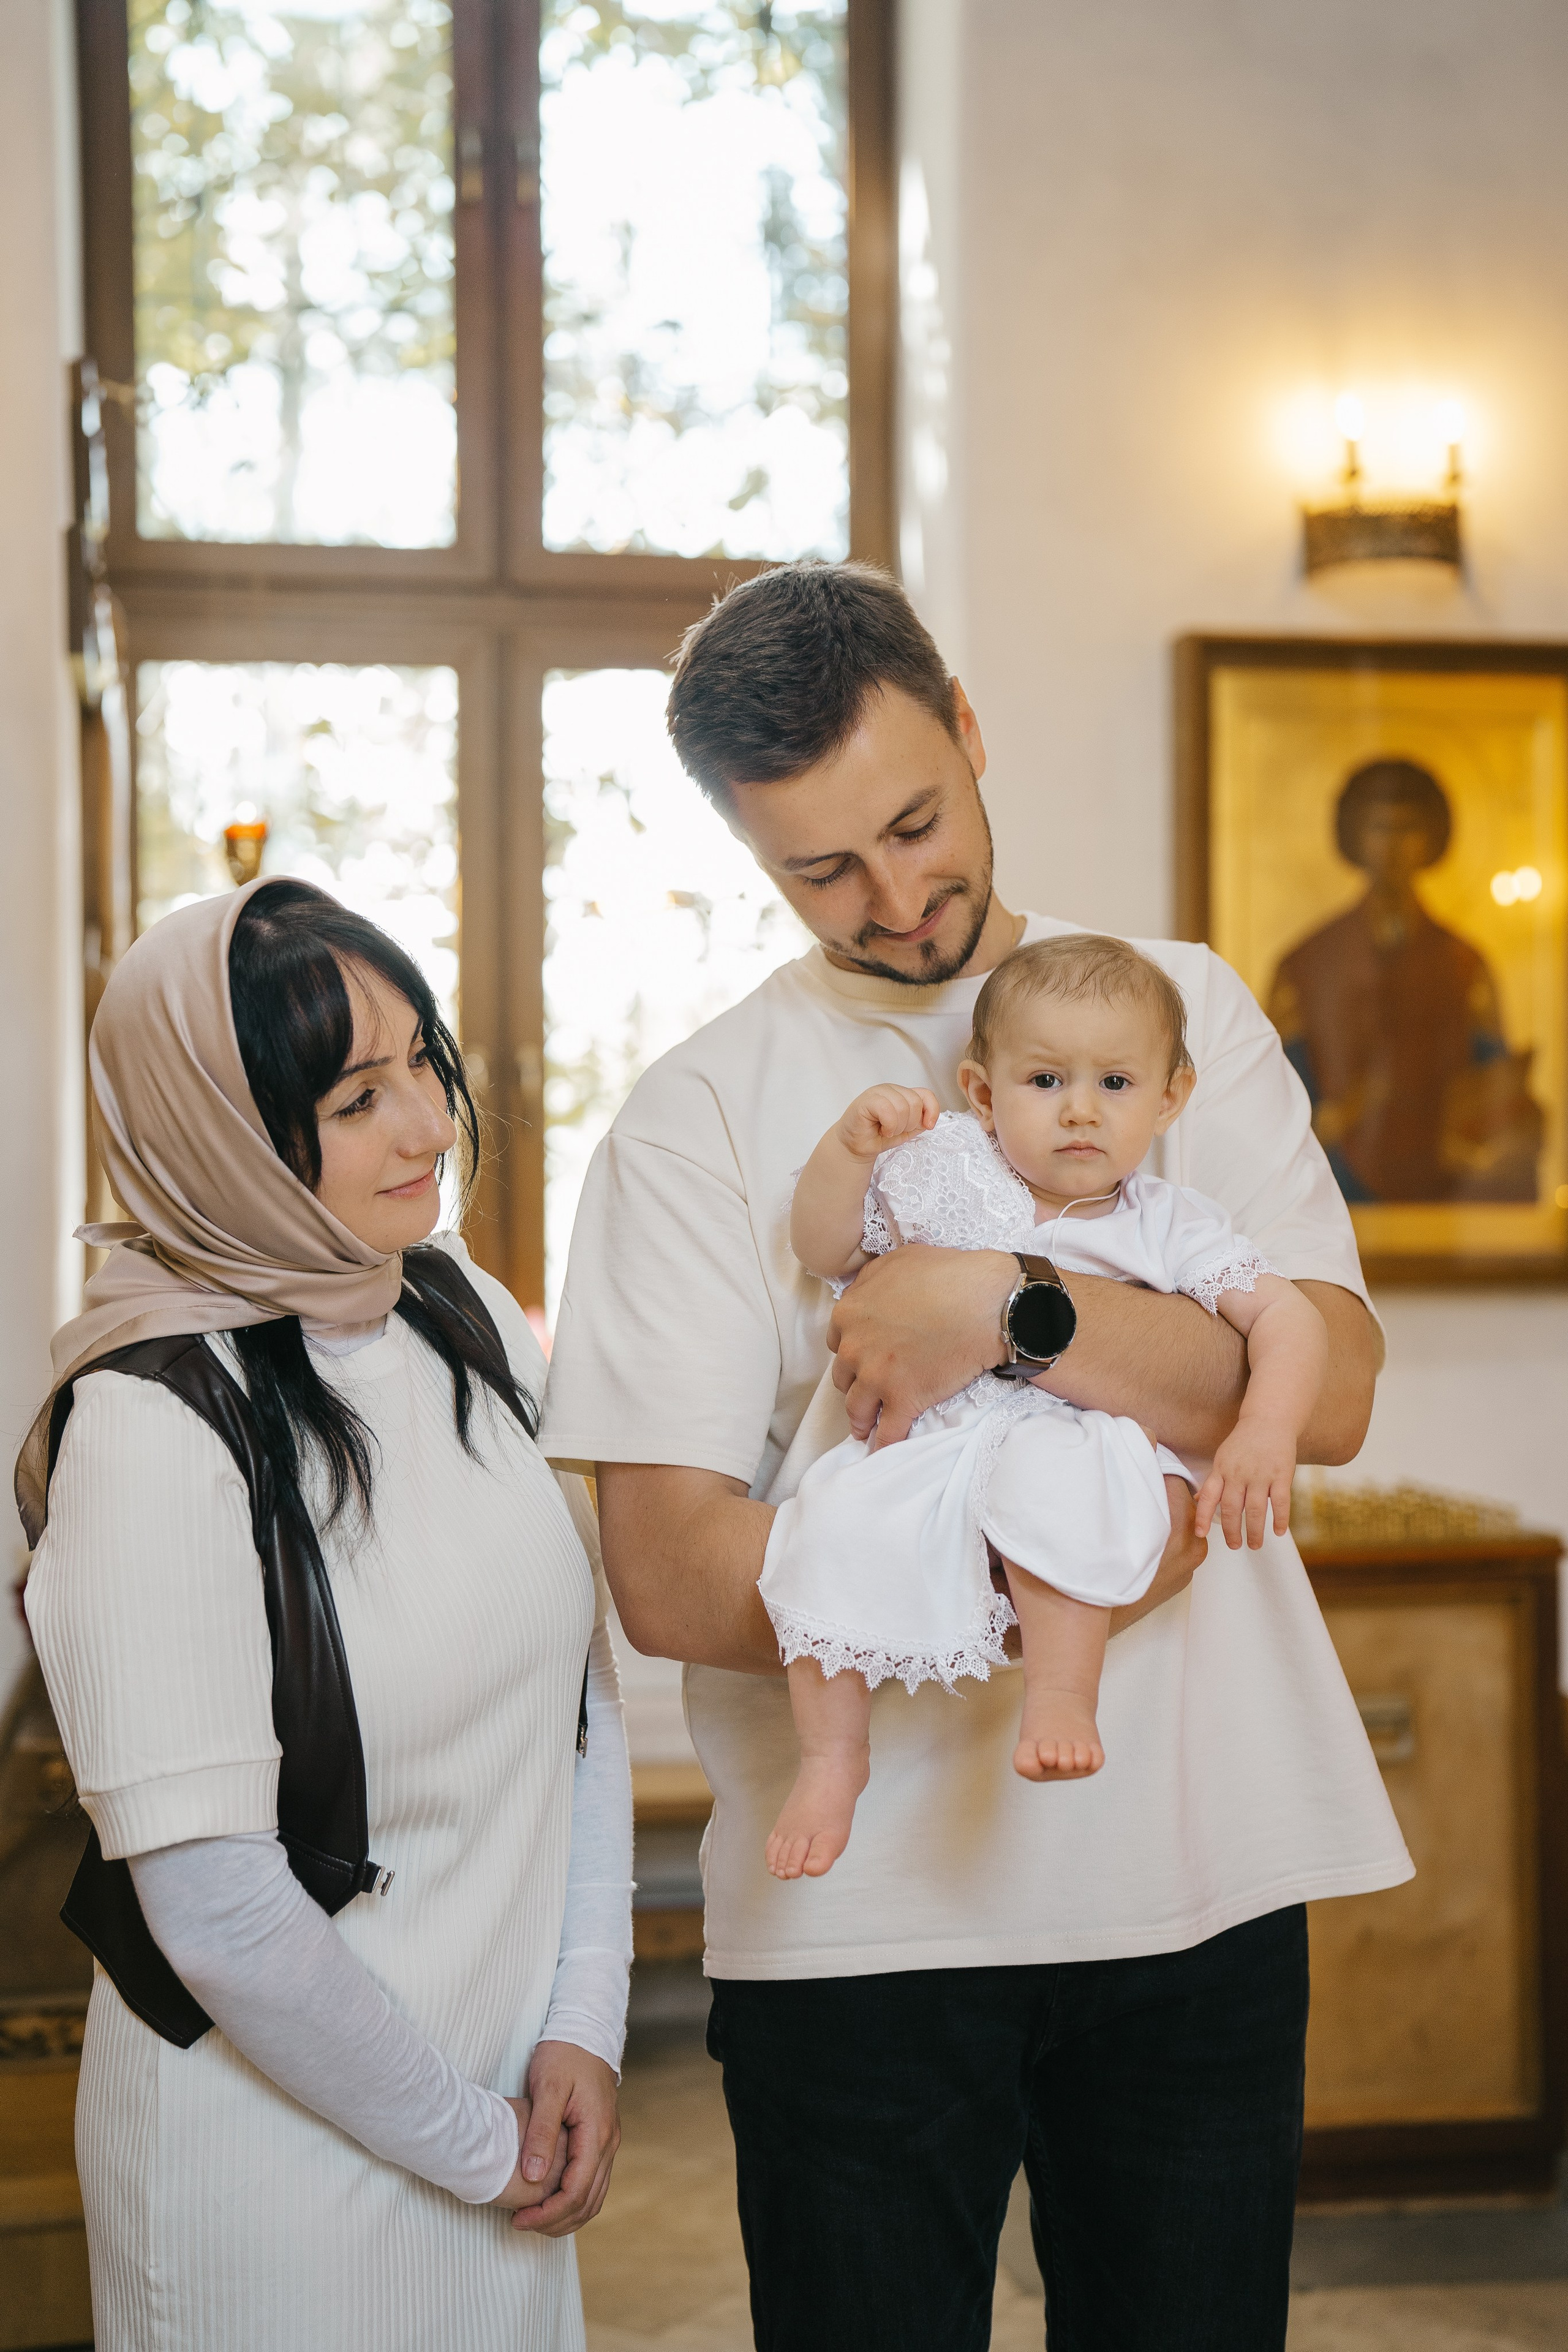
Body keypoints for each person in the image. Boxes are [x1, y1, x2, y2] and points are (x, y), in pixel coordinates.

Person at [540, 562, 1411, 2352]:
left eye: (915, 823)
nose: (894, 896)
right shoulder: (695, 1114)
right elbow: (671, 1573)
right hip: (857, 1922)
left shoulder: (1171, 1012)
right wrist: (1075, 1568)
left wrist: (1007, 1310)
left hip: (1195, 1878)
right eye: (820, 868)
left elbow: (1323, 1391)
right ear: (744, 848)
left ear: (966, 724)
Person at [21, 878, 631, 2352]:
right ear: (219, 1128)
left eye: (422, 1062)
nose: (428, 1126)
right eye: (357, 1099)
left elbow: (579, 1695)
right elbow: (219, 1910)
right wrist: (475, 2144)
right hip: (273, 2181)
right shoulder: (151, 1423)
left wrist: (583, 2020)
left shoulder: (454, 1305)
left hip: (498, 2121)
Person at [761, 933, 1330, 1880]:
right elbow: (825, 1249)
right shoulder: (944, 1172)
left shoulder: (1168, 1224)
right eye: (1044, 1081)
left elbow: (1289, 1318)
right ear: (983, 1094)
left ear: (1170, 1098)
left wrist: (1267, 1427)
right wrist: (850, 1151)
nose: (1080, 1110)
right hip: (930, 1441)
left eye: (1116, 1083)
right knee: (828, 1526)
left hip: (1074, 1438)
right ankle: (831, 1757)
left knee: (1058, 1491)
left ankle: (1063, 1696)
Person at [1267, 756, 1542, 1204]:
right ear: (1356, 836)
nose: (1392, 846)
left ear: (1430, 839)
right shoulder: (1307, 964)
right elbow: (1280, 1088)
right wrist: (1336, 1116)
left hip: (1443, 1190)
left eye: (1408, 828)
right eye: (1379, 827)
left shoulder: (1465, 965)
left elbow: (1491, 1083)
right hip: (1337, 1182)